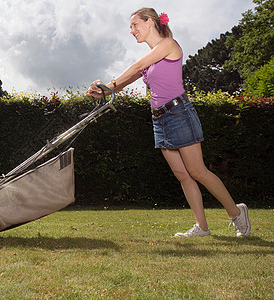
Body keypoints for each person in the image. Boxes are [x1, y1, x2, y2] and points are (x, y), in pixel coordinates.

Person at [86, 7, 251, 237]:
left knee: (197, 171)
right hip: (159, 118)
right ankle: (202, 227)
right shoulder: (150, 59)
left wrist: (107, 85)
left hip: (178, 113)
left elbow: (134, 68)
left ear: (150, 22)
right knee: (182, 174)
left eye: (134, 25)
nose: (131, 30)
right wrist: (100, 91)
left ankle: (237, 213)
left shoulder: (168, 45)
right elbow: (123, 83)